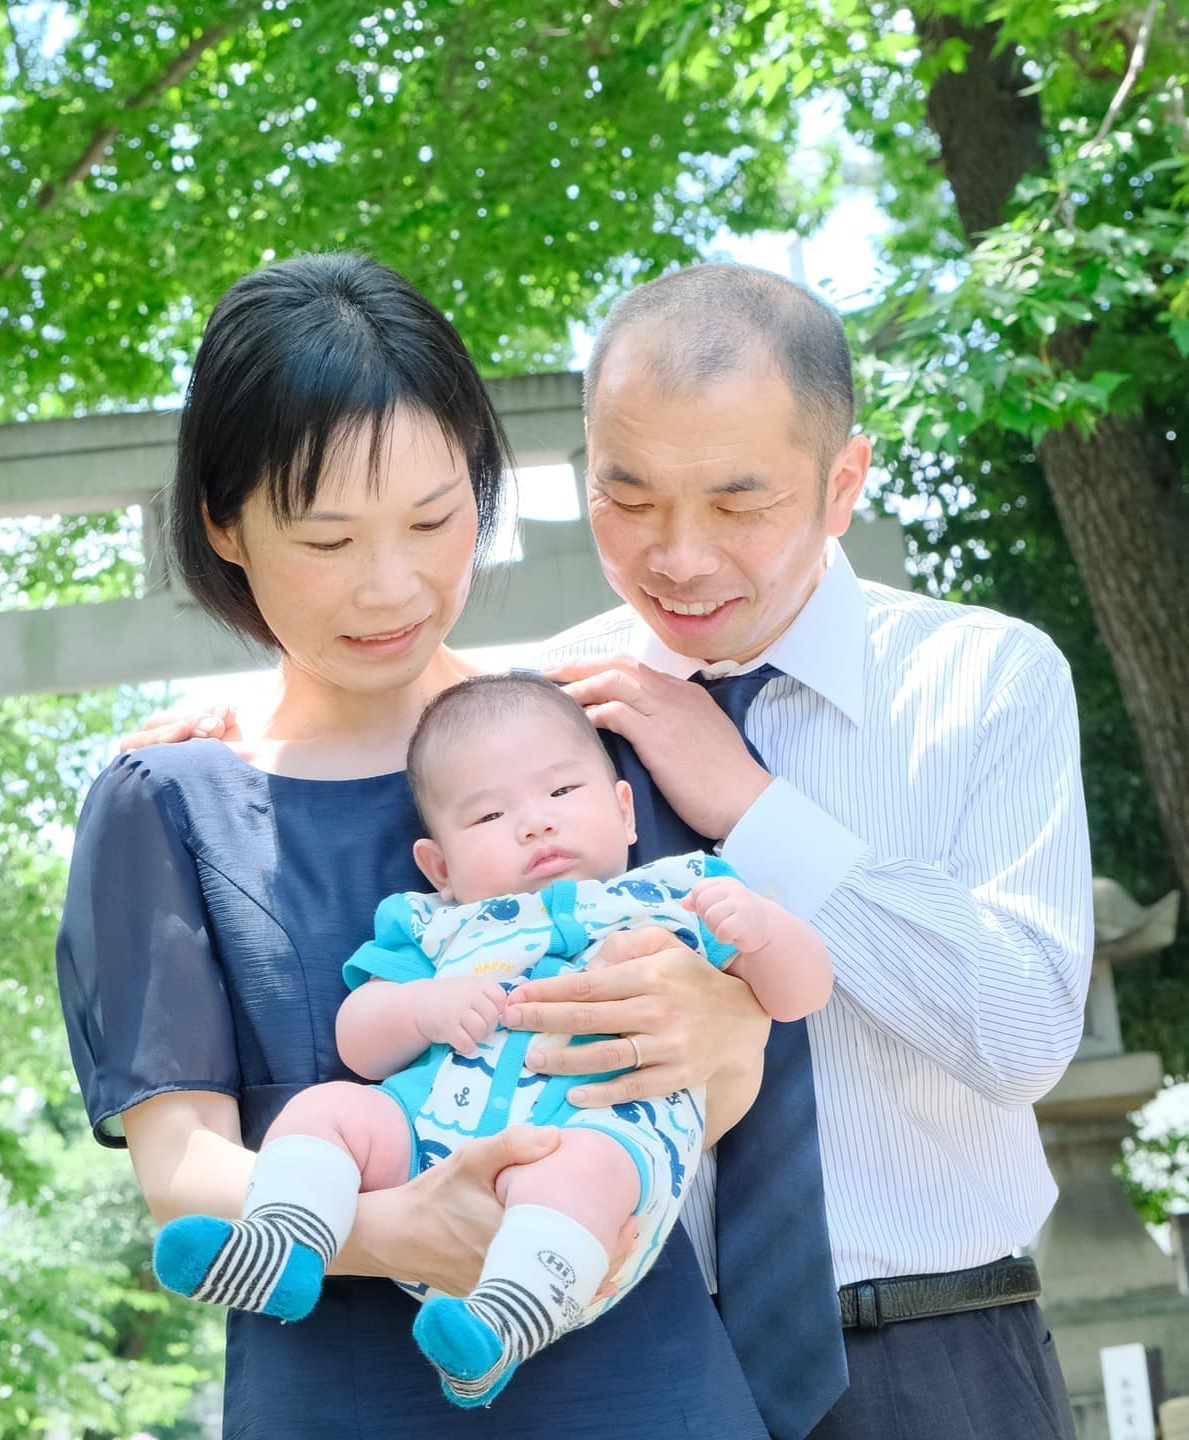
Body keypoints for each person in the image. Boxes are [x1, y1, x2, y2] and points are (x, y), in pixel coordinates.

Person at [127, 261, 1095, 1440]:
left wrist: (750, 807)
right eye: (629, 500)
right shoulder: (556, 708)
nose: (679, 558)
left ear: (843, 482)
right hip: (637, 1344)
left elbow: (1028, 1031)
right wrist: (252, 717)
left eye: (738, 505)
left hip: (935, 1345)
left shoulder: (981, 680)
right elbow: (391, 700)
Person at [56, 252, 777, 1440]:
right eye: (328, 542)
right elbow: (182, 1165)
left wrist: (730, 1030)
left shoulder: (596, 740)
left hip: (645, 1390)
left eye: (435, 520)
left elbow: (728, 1087)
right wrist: (395, 1229)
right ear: (224, 525)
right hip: (342, 1398)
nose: (390, 586)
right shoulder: (170, 801)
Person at [151, 672, 833, 1410]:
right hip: (424, 1158)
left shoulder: (682, 892)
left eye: (563, 794)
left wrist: (762, 934)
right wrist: (420, 1007)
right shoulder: (434, 925)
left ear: (624, 810)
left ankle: (504, 1319)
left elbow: (799, 998)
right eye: (488, 816)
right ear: (439, 867)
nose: (535, 824)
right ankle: (284, 1239)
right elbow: (359, 1043)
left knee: (577, 1166)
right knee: (329, 1110)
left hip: (593, 1158)